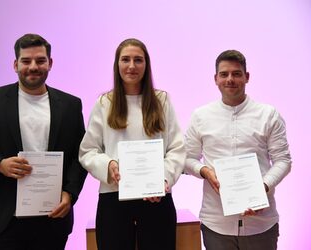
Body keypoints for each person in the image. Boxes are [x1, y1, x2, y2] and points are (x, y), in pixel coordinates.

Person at [0, 33, 87, 250]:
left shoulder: (71, 105)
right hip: (0, 219)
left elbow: (79, 156)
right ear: (15, 64)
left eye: (40, 60)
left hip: (51, 217)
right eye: (26, 61)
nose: (33, 66)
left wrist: (70, 193)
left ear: (50, 63)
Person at [79, 38, 186, 250]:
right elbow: (88, 151)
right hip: (113, 198)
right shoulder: (104, 103)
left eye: (138, 60)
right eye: (125, 59)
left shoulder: (161, 101)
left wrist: (163, 178)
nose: (131, 66)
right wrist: (108, 165)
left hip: (156, 197)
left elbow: (176, 148)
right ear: (117, 64)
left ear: (146, 65)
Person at [184, 49, 292, 250]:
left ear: (247, 77)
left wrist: (264, 186)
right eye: (224, 74)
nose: (230, 79)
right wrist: (204, 171)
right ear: (215, 79)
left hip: (261, 224)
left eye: (236, 73)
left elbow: (283, 160)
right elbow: (188, 158)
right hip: (216, 223)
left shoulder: (268, 115)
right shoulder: (201, 116)